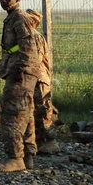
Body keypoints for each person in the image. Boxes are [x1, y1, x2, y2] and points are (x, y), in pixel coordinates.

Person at [0, 0, 42, 172]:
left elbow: (28, 47)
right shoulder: (12, 19)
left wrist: (20, 69)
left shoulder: (19, 18)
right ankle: (28, 156)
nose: (4, 0)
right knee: (26, 114)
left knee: (12, 115)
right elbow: (11, 49)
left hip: (21, 73)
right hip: (17, 70)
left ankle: (15, 157)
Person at [25, 8, 61, 154]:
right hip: (31, 78)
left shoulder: (35, 37)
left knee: (43, 111)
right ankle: (37, 141)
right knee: (33, 111)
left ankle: (50, 142)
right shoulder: (26, 37)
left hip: (39, 80)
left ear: (33, 22)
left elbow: (34, 60)